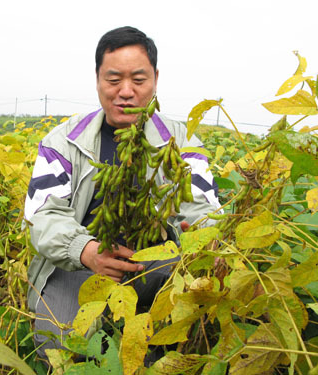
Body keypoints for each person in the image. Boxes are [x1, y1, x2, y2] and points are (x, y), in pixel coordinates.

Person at [24, 26, 220, 358]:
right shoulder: (63, 141)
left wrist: (199, 238)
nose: (125, 92)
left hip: (157, 266)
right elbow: (43, 214)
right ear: (98, 79)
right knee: (60, 342)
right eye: (113, 80)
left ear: (156, 79)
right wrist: (85, 249)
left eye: (138, 80)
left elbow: (204, 210)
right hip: (80, 264)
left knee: (181, 339)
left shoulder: (182, 143)